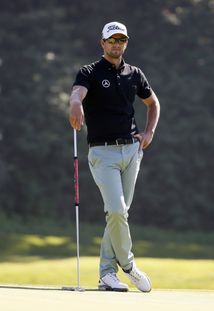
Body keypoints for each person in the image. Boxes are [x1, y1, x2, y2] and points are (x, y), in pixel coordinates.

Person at [69, 21, 160, 292]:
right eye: (112, 40)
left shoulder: (135, 74)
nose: (116, 44)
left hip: (132, 151)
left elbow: (153, 103)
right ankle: (128, 265)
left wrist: (149, 132)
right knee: (118, 210)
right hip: (102, 152)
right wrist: (75, 104)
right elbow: (77, 92)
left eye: (121, 40)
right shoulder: (90, 72)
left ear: (126, 43)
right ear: (102, 43)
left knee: (117, 215)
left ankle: (106, 275)